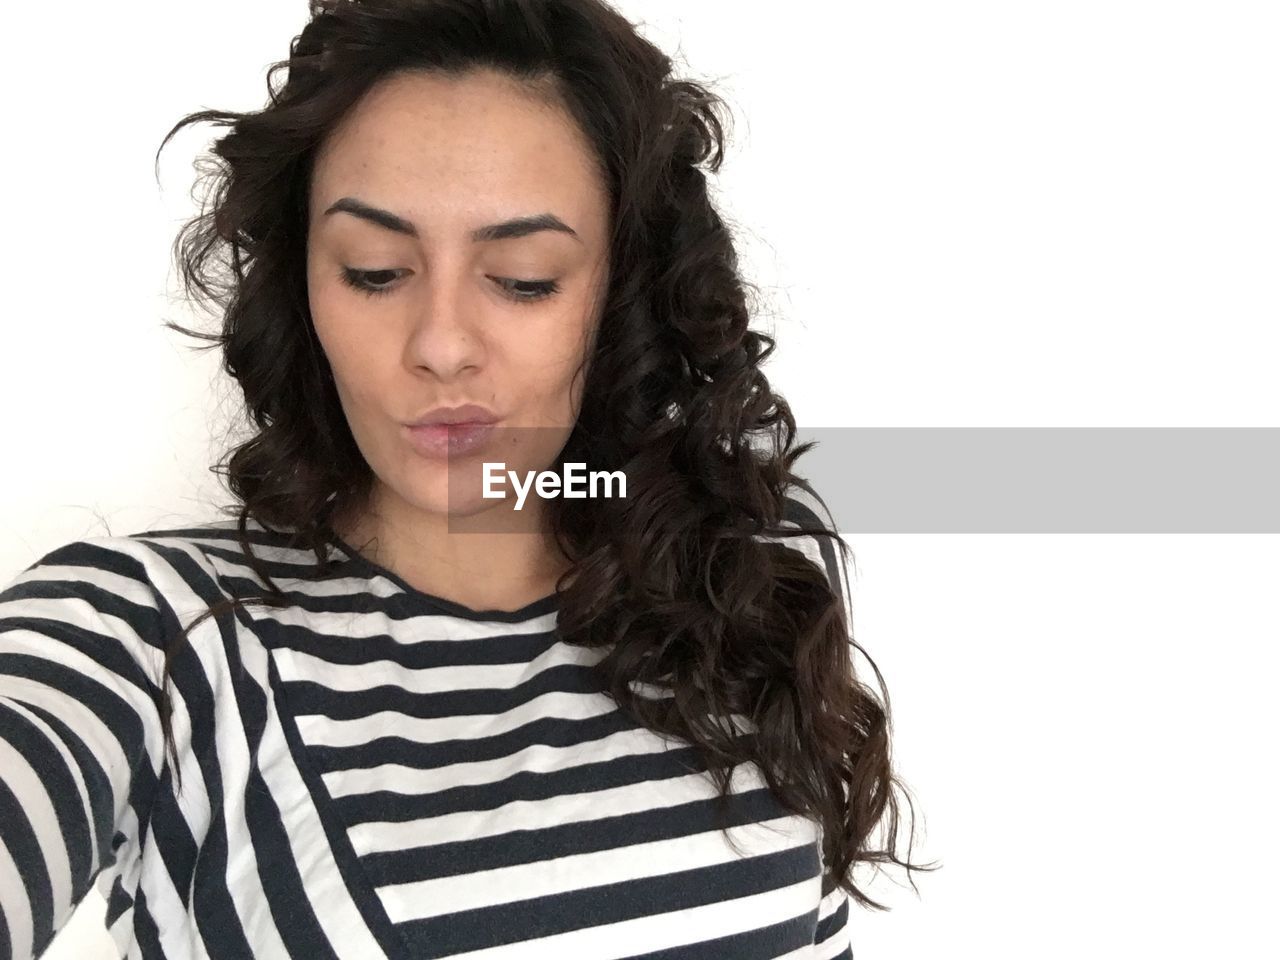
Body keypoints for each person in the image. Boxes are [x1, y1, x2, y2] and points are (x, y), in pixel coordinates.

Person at [0, 1, 930, 957]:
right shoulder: (154, 635)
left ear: (618, 297)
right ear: (303, 284)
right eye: (373, 270)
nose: (442, 346)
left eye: (523, 278)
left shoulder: (724, 607)